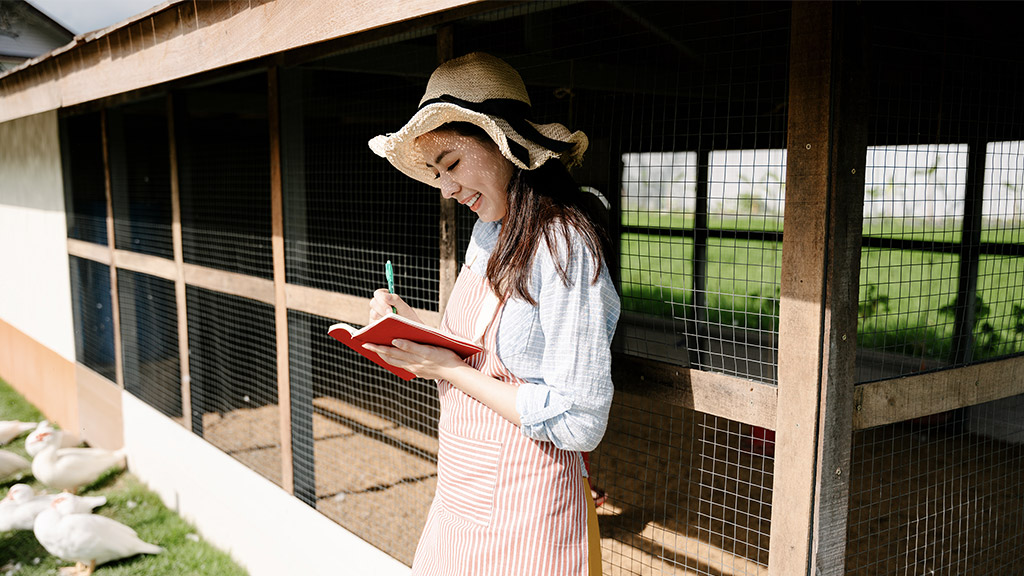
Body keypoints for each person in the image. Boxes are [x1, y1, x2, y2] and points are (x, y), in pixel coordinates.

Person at [364, 51, 620, 576]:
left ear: (505, 145)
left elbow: (580, 422)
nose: (447, 189)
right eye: (437, 174)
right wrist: (409, 327)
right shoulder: (490, 232)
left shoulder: (565, 244)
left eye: (453, 164)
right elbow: (486, 351)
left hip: (528, 503)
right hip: (462, 488)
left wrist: (448, 369)